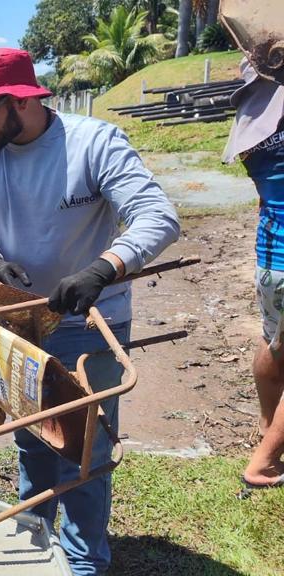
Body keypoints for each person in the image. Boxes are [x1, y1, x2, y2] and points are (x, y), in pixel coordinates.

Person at [0, 48, 179, 575]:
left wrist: (103, 268)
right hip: (20, 322)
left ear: (20, 100)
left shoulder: (93, 143)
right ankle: (34, 539)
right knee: (31, 438)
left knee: (86, 452)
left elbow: (157, 217)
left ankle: (82, 562)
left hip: (90, 322)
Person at [222, 57, 284, 490]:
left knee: (273, 343)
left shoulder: (256, 128)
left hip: (269, 258)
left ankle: (268, 428)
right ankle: (263, 462)